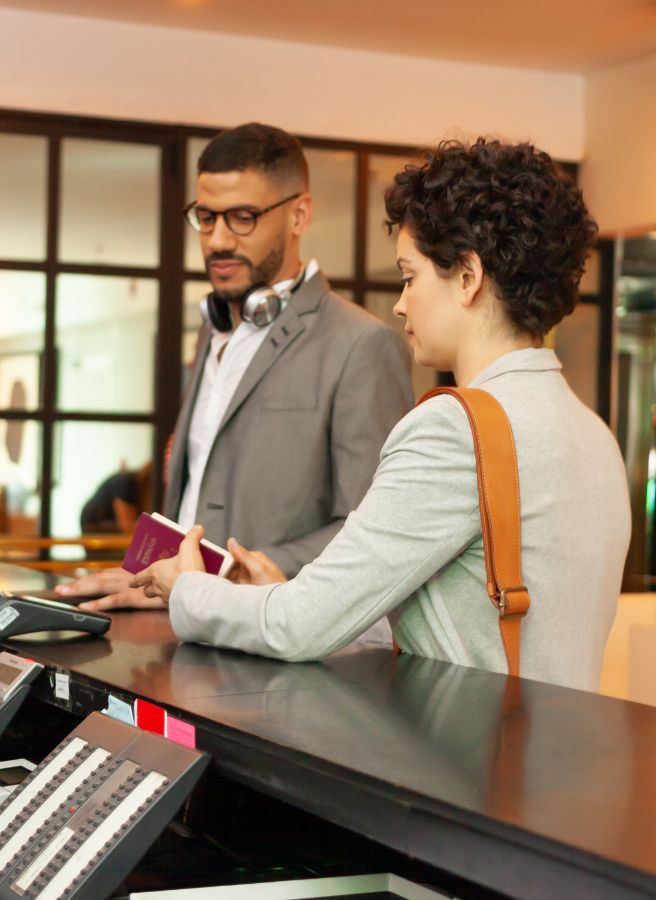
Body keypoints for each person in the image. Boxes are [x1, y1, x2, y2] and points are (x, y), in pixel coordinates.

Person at [128, 139, 629, 692]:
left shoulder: (454, 429)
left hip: (462, 745)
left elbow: (299, 627)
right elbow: (457, 623)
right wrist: (279, 593)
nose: (400, 303)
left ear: (468, 277)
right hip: (553, 738)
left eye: (410, 277)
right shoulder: (593, 434)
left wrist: (188, 589)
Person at [59, 122, 412, 607]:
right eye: (206, 218)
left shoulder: (363, 344)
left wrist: (215, 578)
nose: (217, 240)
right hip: (179, 619)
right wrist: (151, 577)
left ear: (299, 215)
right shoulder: (212, 330)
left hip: (271, 635)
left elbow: (372, 531)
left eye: (243, 217)